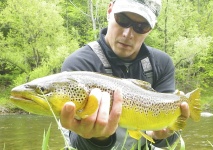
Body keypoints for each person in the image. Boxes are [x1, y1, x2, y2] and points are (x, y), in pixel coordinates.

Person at [60, 0, 190, 149]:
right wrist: (98, 138)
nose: (128, 34)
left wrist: (162, 134)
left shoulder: (162, 63)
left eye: (141, 27)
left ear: (150, 29)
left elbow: (167, 139)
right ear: (110, 11)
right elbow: (75, 142)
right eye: (122, 19)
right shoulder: (78, 66)